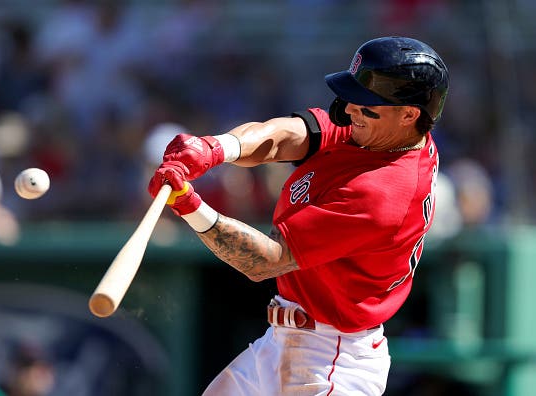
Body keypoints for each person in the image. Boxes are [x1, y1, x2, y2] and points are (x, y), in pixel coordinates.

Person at [148, 36, 449, 395]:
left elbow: (264, 261)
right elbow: (289, 135)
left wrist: (189, 205)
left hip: (332, 360)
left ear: (409, 114)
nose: (351, 109)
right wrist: (216, 148)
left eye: (367, 105)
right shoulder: (379, 135)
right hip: (283, 340)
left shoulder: (384, 192)